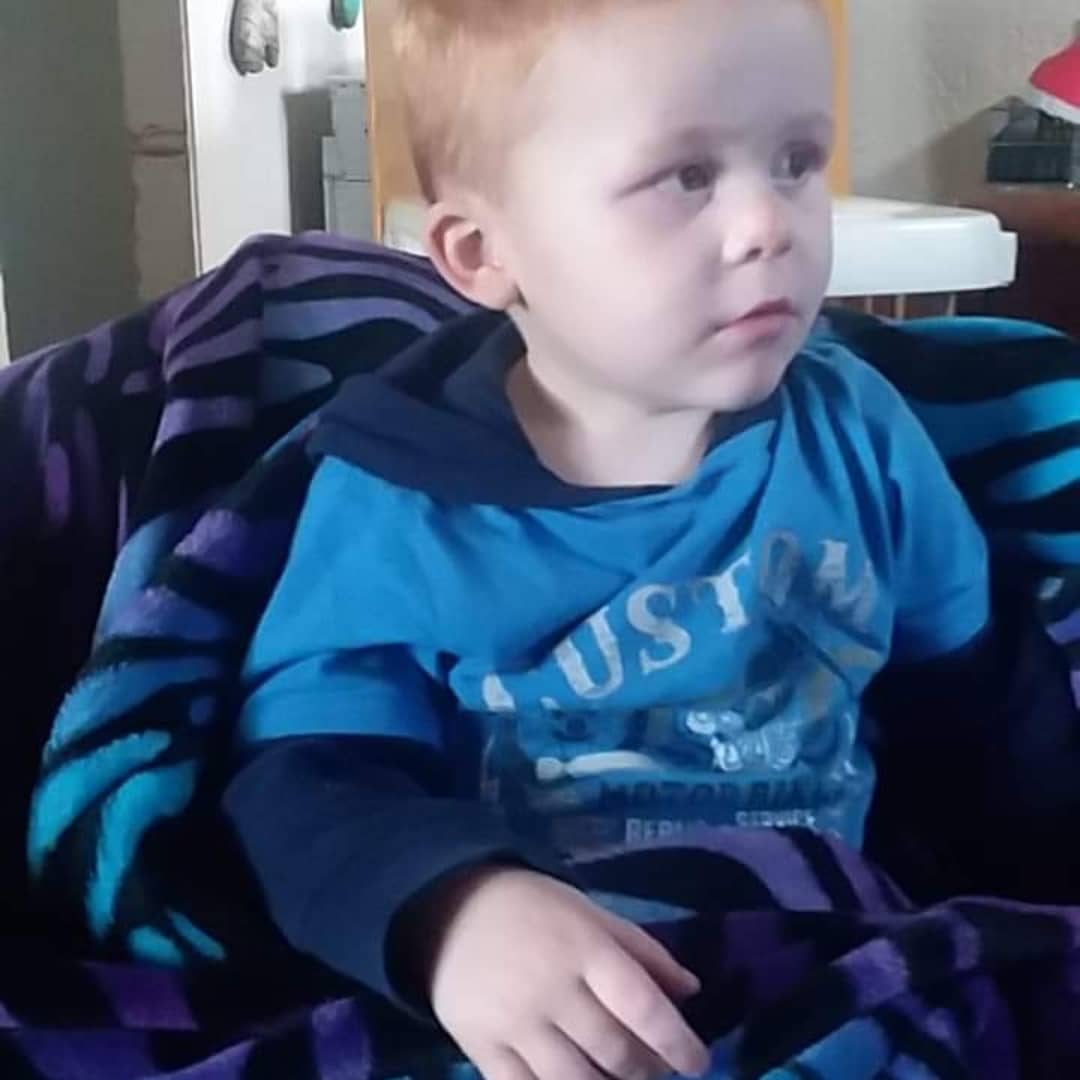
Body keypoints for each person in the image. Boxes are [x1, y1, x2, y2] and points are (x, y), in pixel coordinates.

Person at [223, 1, 1010, 1077]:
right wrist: (453, 914)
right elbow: (307, 789)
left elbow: (986, 719)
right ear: (483, 253)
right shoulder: (397, 500)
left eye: (796, 161)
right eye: (685, 176)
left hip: (838, 971)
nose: (769, 225)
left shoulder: (860, 434)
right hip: (549, 1033)